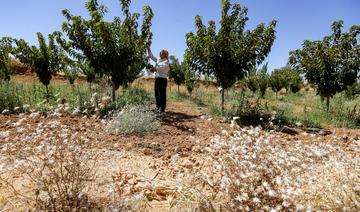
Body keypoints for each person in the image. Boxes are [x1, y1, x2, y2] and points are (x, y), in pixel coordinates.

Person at [148, 48, 170, 113]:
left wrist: (154, 68)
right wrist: (148, 50)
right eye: (160, 53)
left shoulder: (166, 61)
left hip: (162, 79)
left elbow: (161, 67)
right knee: (156, 94)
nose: (160, 54)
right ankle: (158, 108)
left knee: (162, 95)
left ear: (165, 54)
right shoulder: (158, 59)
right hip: (157, 79)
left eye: (161, 53)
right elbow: (152, 57)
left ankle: (162, 109)